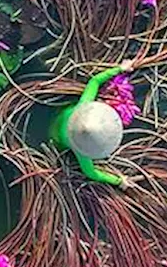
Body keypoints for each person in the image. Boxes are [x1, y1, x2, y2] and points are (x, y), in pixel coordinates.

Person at [49, 59, 136, 187]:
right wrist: (118, 181)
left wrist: (120, 68)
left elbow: (94, 81)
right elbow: (92, 174)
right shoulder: (81, 154)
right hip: (55, 142)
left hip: (56, 118)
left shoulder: (83, 104)